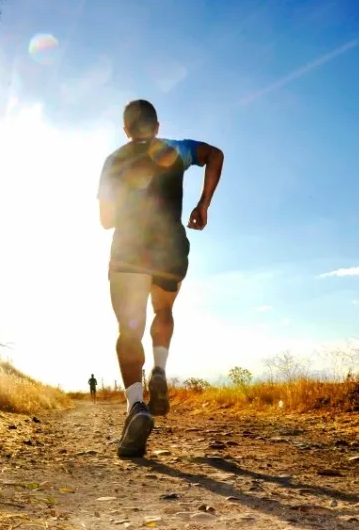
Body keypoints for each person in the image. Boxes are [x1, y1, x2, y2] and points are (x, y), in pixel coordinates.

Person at [97, 99, 224, 458]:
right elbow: (215, 154)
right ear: (156, 126)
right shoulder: (175, 150)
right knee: (163, 311)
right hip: (169, 247)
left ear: (125, 130)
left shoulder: (113, 161)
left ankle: (136, 405)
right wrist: (203, 205)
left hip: (129, 250)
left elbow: (106, 219)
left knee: (128, 328)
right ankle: (160, 369)